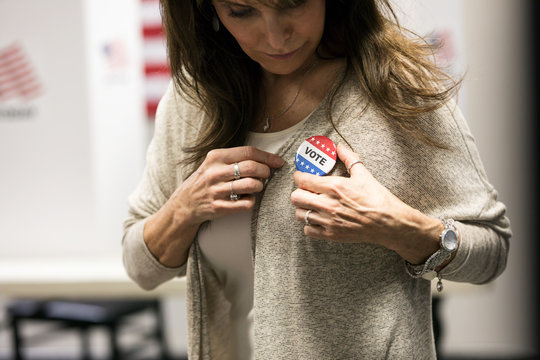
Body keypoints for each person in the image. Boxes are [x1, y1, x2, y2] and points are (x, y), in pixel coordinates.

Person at [122, 0, 511, 359]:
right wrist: (184, 209)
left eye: (292, 2)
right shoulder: (194, 100)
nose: (275, 36)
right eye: (241, 11)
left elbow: (491, 250)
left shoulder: (395, 87)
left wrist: (400, 228)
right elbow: (141, 267)